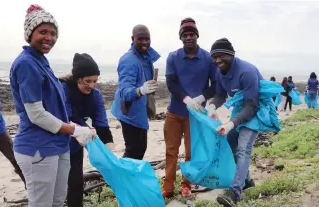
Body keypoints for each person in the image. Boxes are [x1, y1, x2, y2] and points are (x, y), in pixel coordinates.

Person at [9, 5, 95, 207]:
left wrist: (61, 79)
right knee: (41, 204)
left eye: (53, 33)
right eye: (43, 32)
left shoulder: (41, 61)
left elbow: (46, 91)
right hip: (38, 147)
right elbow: (36, 114)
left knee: (57, 201)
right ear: (30, 33)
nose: (49, 38)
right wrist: (74, 129)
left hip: (57, 144)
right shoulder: (26, 63)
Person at [161, 17, 217, 198]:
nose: (189, 37)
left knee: (191, 153)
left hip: (196, 116)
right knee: (171, 151)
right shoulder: (173, 57)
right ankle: (168, 187)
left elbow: (215, 84)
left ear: (197, 36)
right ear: (181, 38)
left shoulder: (208, 58)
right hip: (174, 113)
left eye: (192, 34)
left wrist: (201, 98)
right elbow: (170, 82)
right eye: (185, 35)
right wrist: (185, 98)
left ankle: (187, 184)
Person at [206, 38, 263, 206]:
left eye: (221, 56)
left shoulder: (247, 72)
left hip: (258, 108)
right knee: (229, 143)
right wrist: (211, 106)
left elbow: (252, 105)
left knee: (244, 148)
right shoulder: (219, 72)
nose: (217, 61)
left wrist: (232, 123)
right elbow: (220, 95)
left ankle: (234, 192)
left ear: (231, 55)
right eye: (214, 57)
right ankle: (247, 181)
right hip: (241, 106)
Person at [60, 53, 116, 207]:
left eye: (95, 81)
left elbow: (101, 122)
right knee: (55, 183)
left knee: (76, 181)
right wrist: (86, 129)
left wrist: (109, 146)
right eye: (87, 81)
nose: (91, 85)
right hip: (56, 141)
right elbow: (67, 115)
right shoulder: (63, 90)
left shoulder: (95, 96)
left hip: (76, 143)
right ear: (78, 78)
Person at [112, 24, 160, 160]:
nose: (145, 42)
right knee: (134, 150)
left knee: (140, 148)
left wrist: (149, 87)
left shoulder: (145, 56)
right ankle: (123, 179)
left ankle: (128, 178)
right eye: (140, 39)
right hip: (129, 112)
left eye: (147, 39)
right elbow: (125, 92)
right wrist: (140, 90)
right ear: (133, 39)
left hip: (139, 110)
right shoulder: (128, 60)